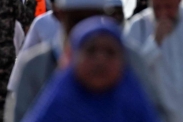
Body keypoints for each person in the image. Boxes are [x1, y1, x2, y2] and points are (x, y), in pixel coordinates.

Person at [22, 17, 160, 122]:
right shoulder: (56, 109)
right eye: (91, 51)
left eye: (110, 52)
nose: (100, 60)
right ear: (74, 57)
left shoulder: (135, 109)